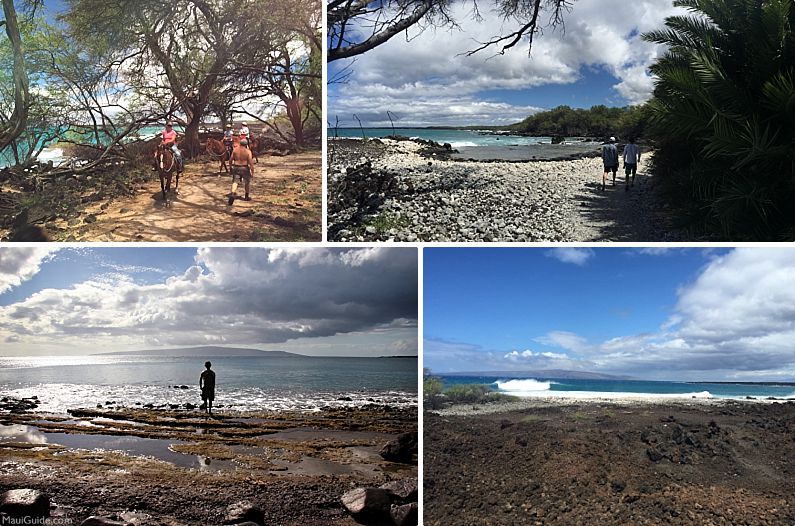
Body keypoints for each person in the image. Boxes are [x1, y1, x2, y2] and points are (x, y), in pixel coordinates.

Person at [228, 139, 255, 205]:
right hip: (244, 167)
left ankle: (232, 193)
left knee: (235, 182)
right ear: (246, 145)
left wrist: (230, 167)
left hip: (236, 167)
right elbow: (250, 162)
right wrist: (252, 170)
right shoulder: (248, 151)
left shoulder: (235, 150)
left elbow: (230, 159)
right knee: (247, 182)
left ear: (240, 143)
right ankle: (246, 196)